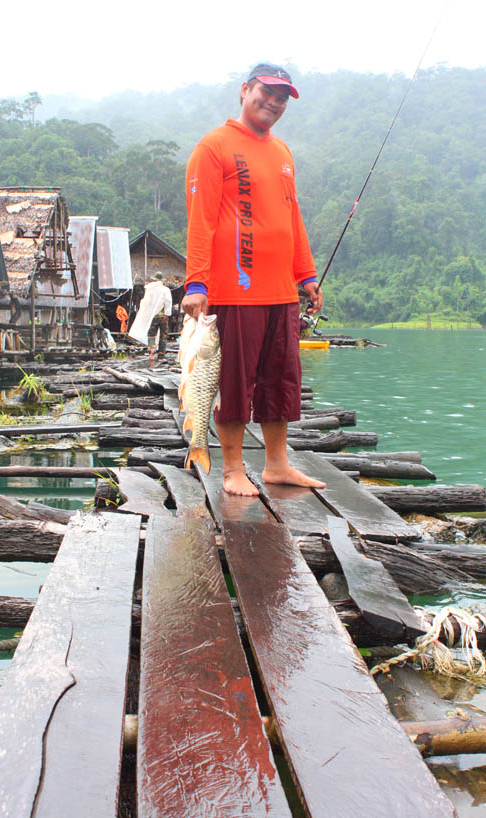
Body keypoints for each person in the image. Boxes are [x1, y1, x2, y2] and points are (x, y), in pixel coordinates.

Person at [181, 62, 326, 496]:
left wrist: (306, 273)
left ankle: (278, 465)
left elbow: (291, 215)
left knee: (280, 381)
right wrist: (196, 283)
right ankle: (231, 469)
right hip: (234, 290)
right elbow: (201, 218)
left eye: (283, 97)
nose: (274, 102)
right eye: (267, 92)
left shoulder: (282, 153)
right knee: (232, 382)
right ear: (245, 90)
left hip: (281, 291)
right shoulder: (214, 147)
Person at [128, 272, 172, 359]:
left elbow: (145, 303)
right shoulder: (165, 289)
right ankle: (161, 355)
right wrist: (167, 314)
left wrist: (146, 314)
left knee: (151, 334)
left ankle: (151, 352)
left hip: (152, 316)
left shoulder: (149, 289)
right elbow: (168, 302)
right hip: (162, 316)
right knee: (163, 336)